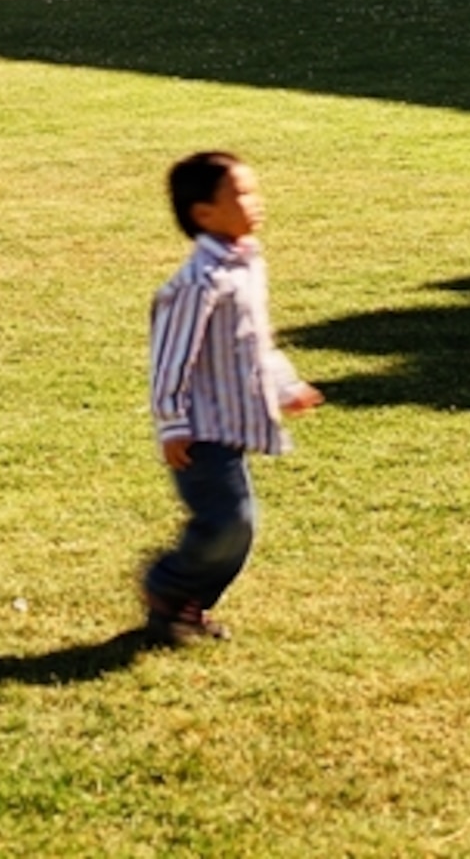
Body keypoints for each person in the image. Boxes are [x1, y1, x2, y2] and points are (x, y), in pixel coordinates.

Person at [141, 150, 322, 644]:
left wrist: (286, 386)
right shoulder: (200, 282)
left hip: (231, 421)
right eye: (241, 194)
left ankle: (182, 608)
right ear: (204, 214)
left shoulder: (246, 264)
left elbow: (254, 340)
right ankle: (169, 585)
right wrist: (172, 423)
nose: (255, 201)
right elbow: (170, 359)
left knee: (235, 528)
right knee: (230, 522)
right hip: (199, 431)